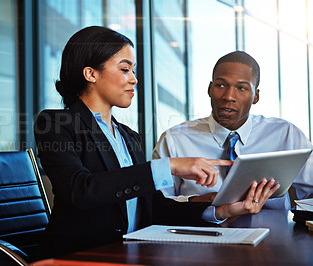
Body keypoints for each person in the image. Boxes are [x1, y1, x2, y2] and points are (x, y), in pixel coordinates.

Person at [32, 28, 279, 260]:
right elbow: (81, 190)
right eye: (125, 69)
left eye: (134, 70)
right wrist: (168, 166)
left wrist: (222, 211)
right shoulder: (55, 124)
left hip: (130, 253)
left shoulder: (128, 136)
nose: (134, 80)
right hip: (78, 256)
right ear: (91, 74)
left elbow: (154, 209)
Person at [153, 51, 313, 209]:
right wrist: (196, 202)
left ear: (255, 96)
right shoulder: (174, 139)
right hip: (201, 230)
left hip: (274, 233)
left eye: (242, 88)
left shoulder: (286, 134)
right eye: (221, 85)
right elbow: (155, 204)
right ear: (210, 89)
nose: (229, 96)